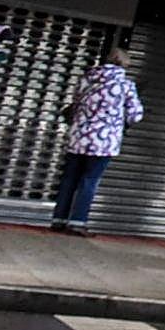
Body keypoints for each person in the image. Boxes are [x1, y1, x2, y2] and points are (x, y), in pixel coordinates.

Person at [51, 43, 143, 235]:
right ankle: (77, 221)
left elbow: (75, 104)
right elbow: (136, 115)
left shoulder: (86, 81)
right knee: (89, 180)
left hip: (78, 137)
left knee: (69, 178)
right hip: (103, 141)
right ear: (124, 65)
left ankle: (58, 219)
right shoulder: (125, 86)